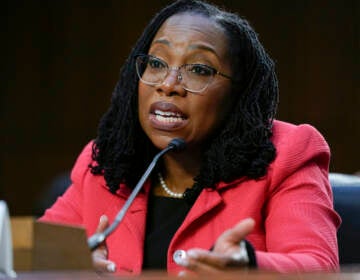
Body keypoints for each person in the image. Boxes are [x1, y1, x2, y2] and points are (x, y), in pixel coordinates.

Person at [40, 0, 341, 276]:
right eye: (157, 63)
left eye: (198, 69)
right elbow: (32, 256)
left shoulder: (288, 153)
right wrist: (72, 267)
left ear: (238, 94)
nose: (169, 85)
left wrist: (250, 265)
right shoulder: (106, 161)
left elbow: (319, 267)